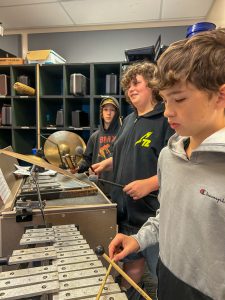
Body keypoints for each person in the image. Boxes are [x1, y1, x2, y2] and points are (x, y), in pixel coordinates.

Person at [108, 27, 225, 300]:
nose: (169, 111)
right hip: (168, 284)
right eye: (166, 99)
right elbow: (169, 216)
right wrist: (139, 239)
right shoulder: (169, 155)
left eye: (180, 99)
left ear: (221, 95)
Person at [92, 62, 174, 297]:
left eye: (136, 83)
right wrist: (105, 164)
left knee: (162, 277)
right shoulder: (128, 121)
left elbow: (181, 166)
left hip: (153, 217)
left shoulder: (166, 120)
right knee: (131, 268)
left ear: (153, 85)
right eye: (128, 85)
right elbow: (122, 154)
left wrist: (151, 183)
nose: (130, 89)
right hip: (125, 213)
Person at [76, 96, 121, 197]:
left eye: (112, 110)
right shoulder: (94, 136)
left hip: (117, 186)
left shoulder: (123, 134)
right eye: (105, 110)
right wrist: (78, 167)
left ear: (117, 113)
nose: (108, 113)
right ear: (101, 112)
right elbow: (87, 159)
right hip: (98, 186)